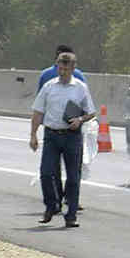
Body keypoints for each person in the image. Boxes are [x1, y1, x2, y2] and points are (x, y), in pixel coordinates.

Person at [29, 50, 97, 228]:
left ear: (73, 68)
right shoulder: (49, 86)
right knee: (46, 173)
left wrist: (80, 119)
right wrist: (33, 135)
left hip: (72, 136)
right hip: (52, 135)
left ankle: (71, 214)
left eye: (66, 69)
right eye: (60, 68)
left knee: (73, 178)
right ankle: (52, 206)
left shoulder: (80, 87)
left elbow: (91, 111)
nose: (62, 72)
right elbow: (37, 111)